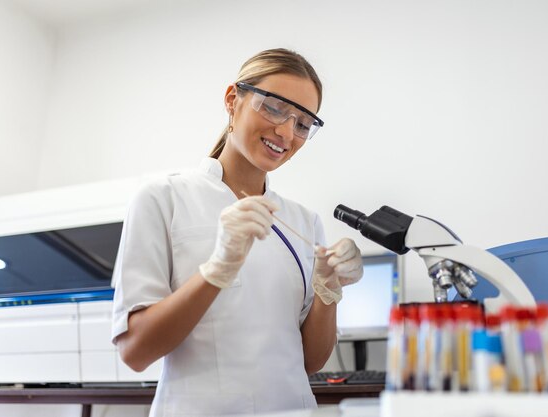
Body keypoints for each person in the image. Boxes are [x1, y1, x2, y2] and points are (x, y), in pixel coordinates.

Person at [111, 48, 364, 416]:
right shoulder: (163, 198)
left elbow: (310, 362)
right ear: (233, 100)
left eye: (302, 124)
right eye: (274, 108)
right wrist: (217, 270)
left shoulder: (303, 221)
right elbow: (136, 352)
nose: (286, 132)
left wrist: (328, 292)